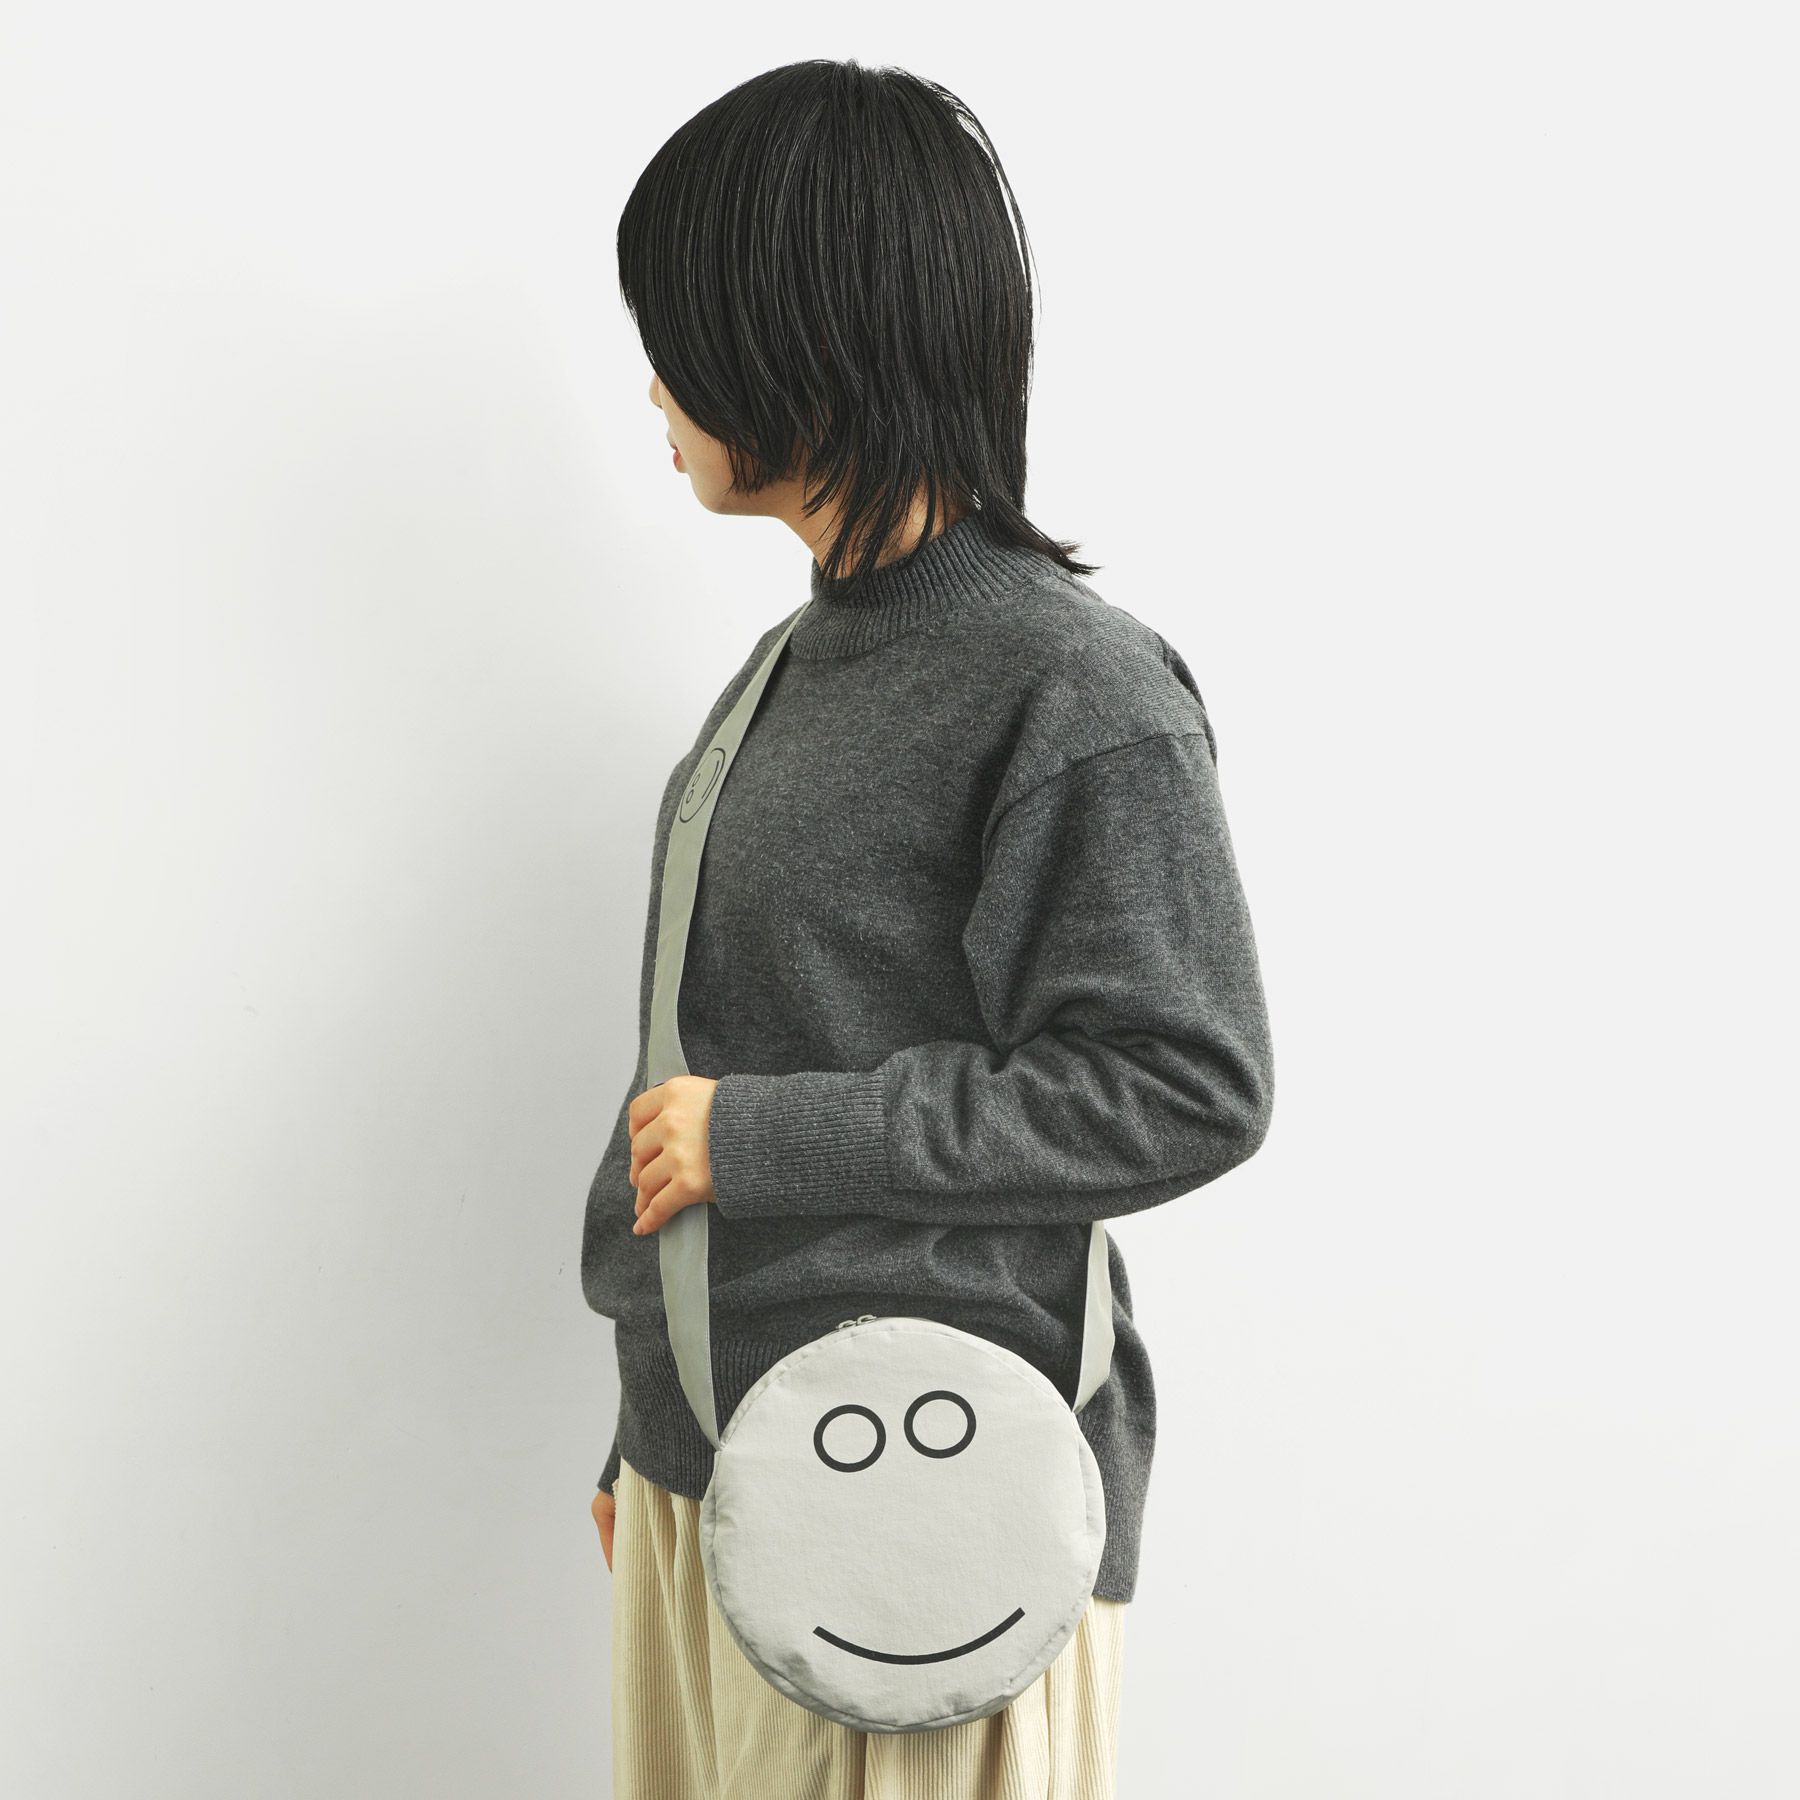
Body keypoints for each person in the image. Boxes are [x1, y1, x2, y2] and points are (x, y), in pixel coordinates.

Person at [582, 57, 1275, 1800]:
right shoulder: (788, 670)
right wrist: (645, 1428)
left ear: (797, 339)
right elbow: (707, 1057)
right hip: (718, 1473)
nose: (655, 382)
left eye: (679, 330)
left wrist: (770, 1137)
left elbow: (1185, 1084)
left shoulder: (1072, 687)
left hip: (920, 1516)